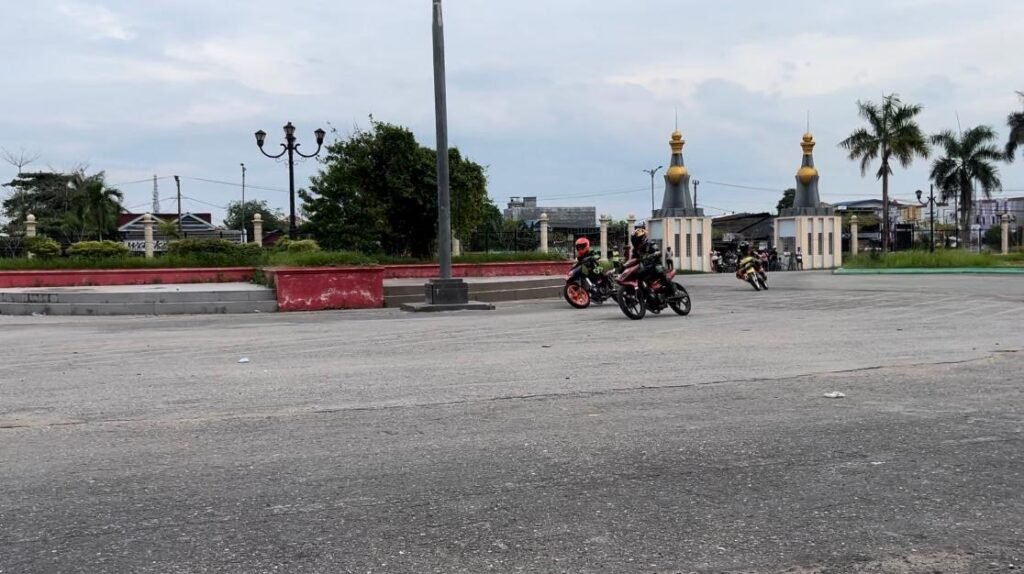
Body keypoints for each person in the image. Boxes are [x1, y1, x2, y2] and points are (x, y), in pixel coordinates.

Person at [629, 228, 677, 295]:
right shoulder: (635, 250)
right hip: (644, 268)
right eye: (634, 240)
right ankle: (646, 293)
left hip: (654, 265)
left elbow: (658, 252)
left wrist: (654, 254)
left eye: (637, 240)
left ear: (643, 238)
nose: (636, 242)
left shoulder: (650, 244)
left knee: (658, 269)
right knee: (636, 275)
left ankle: (674, 289)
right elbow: (632, 259)